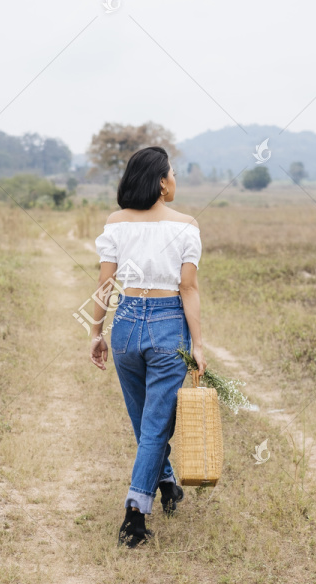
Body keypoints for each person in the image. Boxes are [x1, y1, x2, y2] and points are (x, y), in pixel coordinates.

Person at [88, 146, 207, 549]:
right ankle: (135, 512)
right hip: (167, 324)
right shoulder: (187, 225)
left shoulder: (116, 223)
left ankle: (168, 483)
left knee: (145, 422)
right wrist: (198, 344)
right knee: (154, 425)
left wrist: (95, 332)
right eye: (172, 173)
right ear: (160, 181)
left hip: (125, 325)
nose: (175, 179)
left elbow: (106, 286)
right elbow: (188, 288)